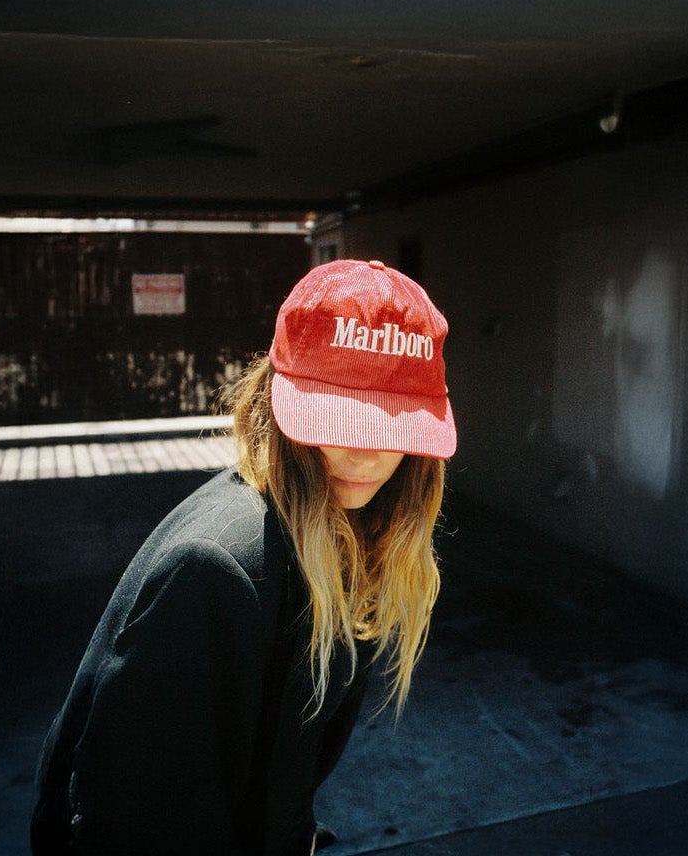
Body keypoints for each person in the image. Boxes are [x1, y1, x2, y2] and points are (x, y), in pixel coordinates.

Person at [30, 258, 457, 856]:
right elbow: (131, 820)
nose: (366, 455)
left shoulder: (348, 530)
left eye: (393, 423)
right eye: (342, 417)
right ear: (279, 403)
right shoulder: (217, 568)